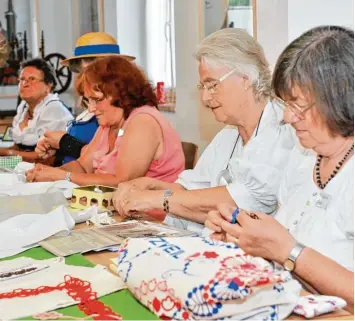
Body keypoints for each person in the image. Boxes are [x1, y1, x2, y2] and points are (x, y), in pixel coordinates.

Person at [205, 26, 354, 311]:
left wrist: (288, 251)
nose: (287, 117)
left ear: (338, 97)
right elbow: (285, 237)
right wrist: (242, 236)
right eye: (285, 104)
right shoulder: (304, 158)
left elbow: (289, 248)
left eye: (297, 105)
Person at [112, 28, 296, 232]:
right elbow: (192, 189)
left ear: (246, 78)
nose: (205, 98)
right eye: (203, 87)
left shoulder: (281, 128)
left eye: (212, 85)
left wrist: (158, 199)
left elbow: (242, 202)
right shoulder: (229, 133)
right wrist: (150, 185)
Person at [25, 56, 185, 187]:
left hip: (152, 217)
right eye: (88, 101)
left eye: (97, 100)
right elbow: (82, 166)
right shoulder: (109, 123)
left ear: (121, 93)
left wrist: (62, 176)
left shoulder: (143, 121)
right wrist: (45, 173)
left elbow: (122, 182)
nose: (92, 109)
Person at [35, 32, 135, 165]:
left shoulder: (126, 112)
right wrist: (57, 148)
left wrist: (66, 143)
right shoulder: (91, 106)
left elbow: (112, 161)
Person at [0, 58, 73, 162]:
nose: (25, 84)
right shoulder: (23, 107)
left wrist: (8, 154)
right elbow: (18, 148)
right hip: (25, 167)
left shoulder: (53, 108)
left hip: (50, 171)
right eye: (22, 79)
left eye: (32, 79)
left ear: (48, 85)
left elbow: (46, 157)